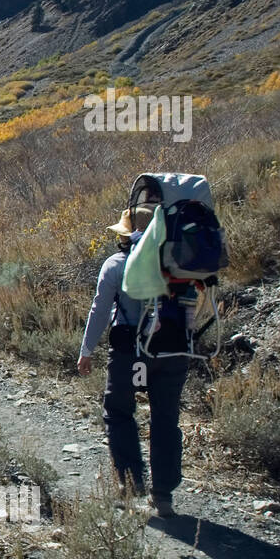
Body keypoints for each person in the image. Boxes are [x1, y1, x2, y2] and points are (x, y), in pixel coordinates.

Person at [77, 207, 189, 517]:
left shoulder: (116, 265)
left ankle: (130, 483)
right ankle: (163, 494)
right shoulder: (178, 263)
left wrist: (86, 350)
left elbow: (100, 311)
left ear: (127, 234)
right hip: (173, 352)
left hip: (132, 353)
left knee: (118, 411)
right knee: (166, 420)